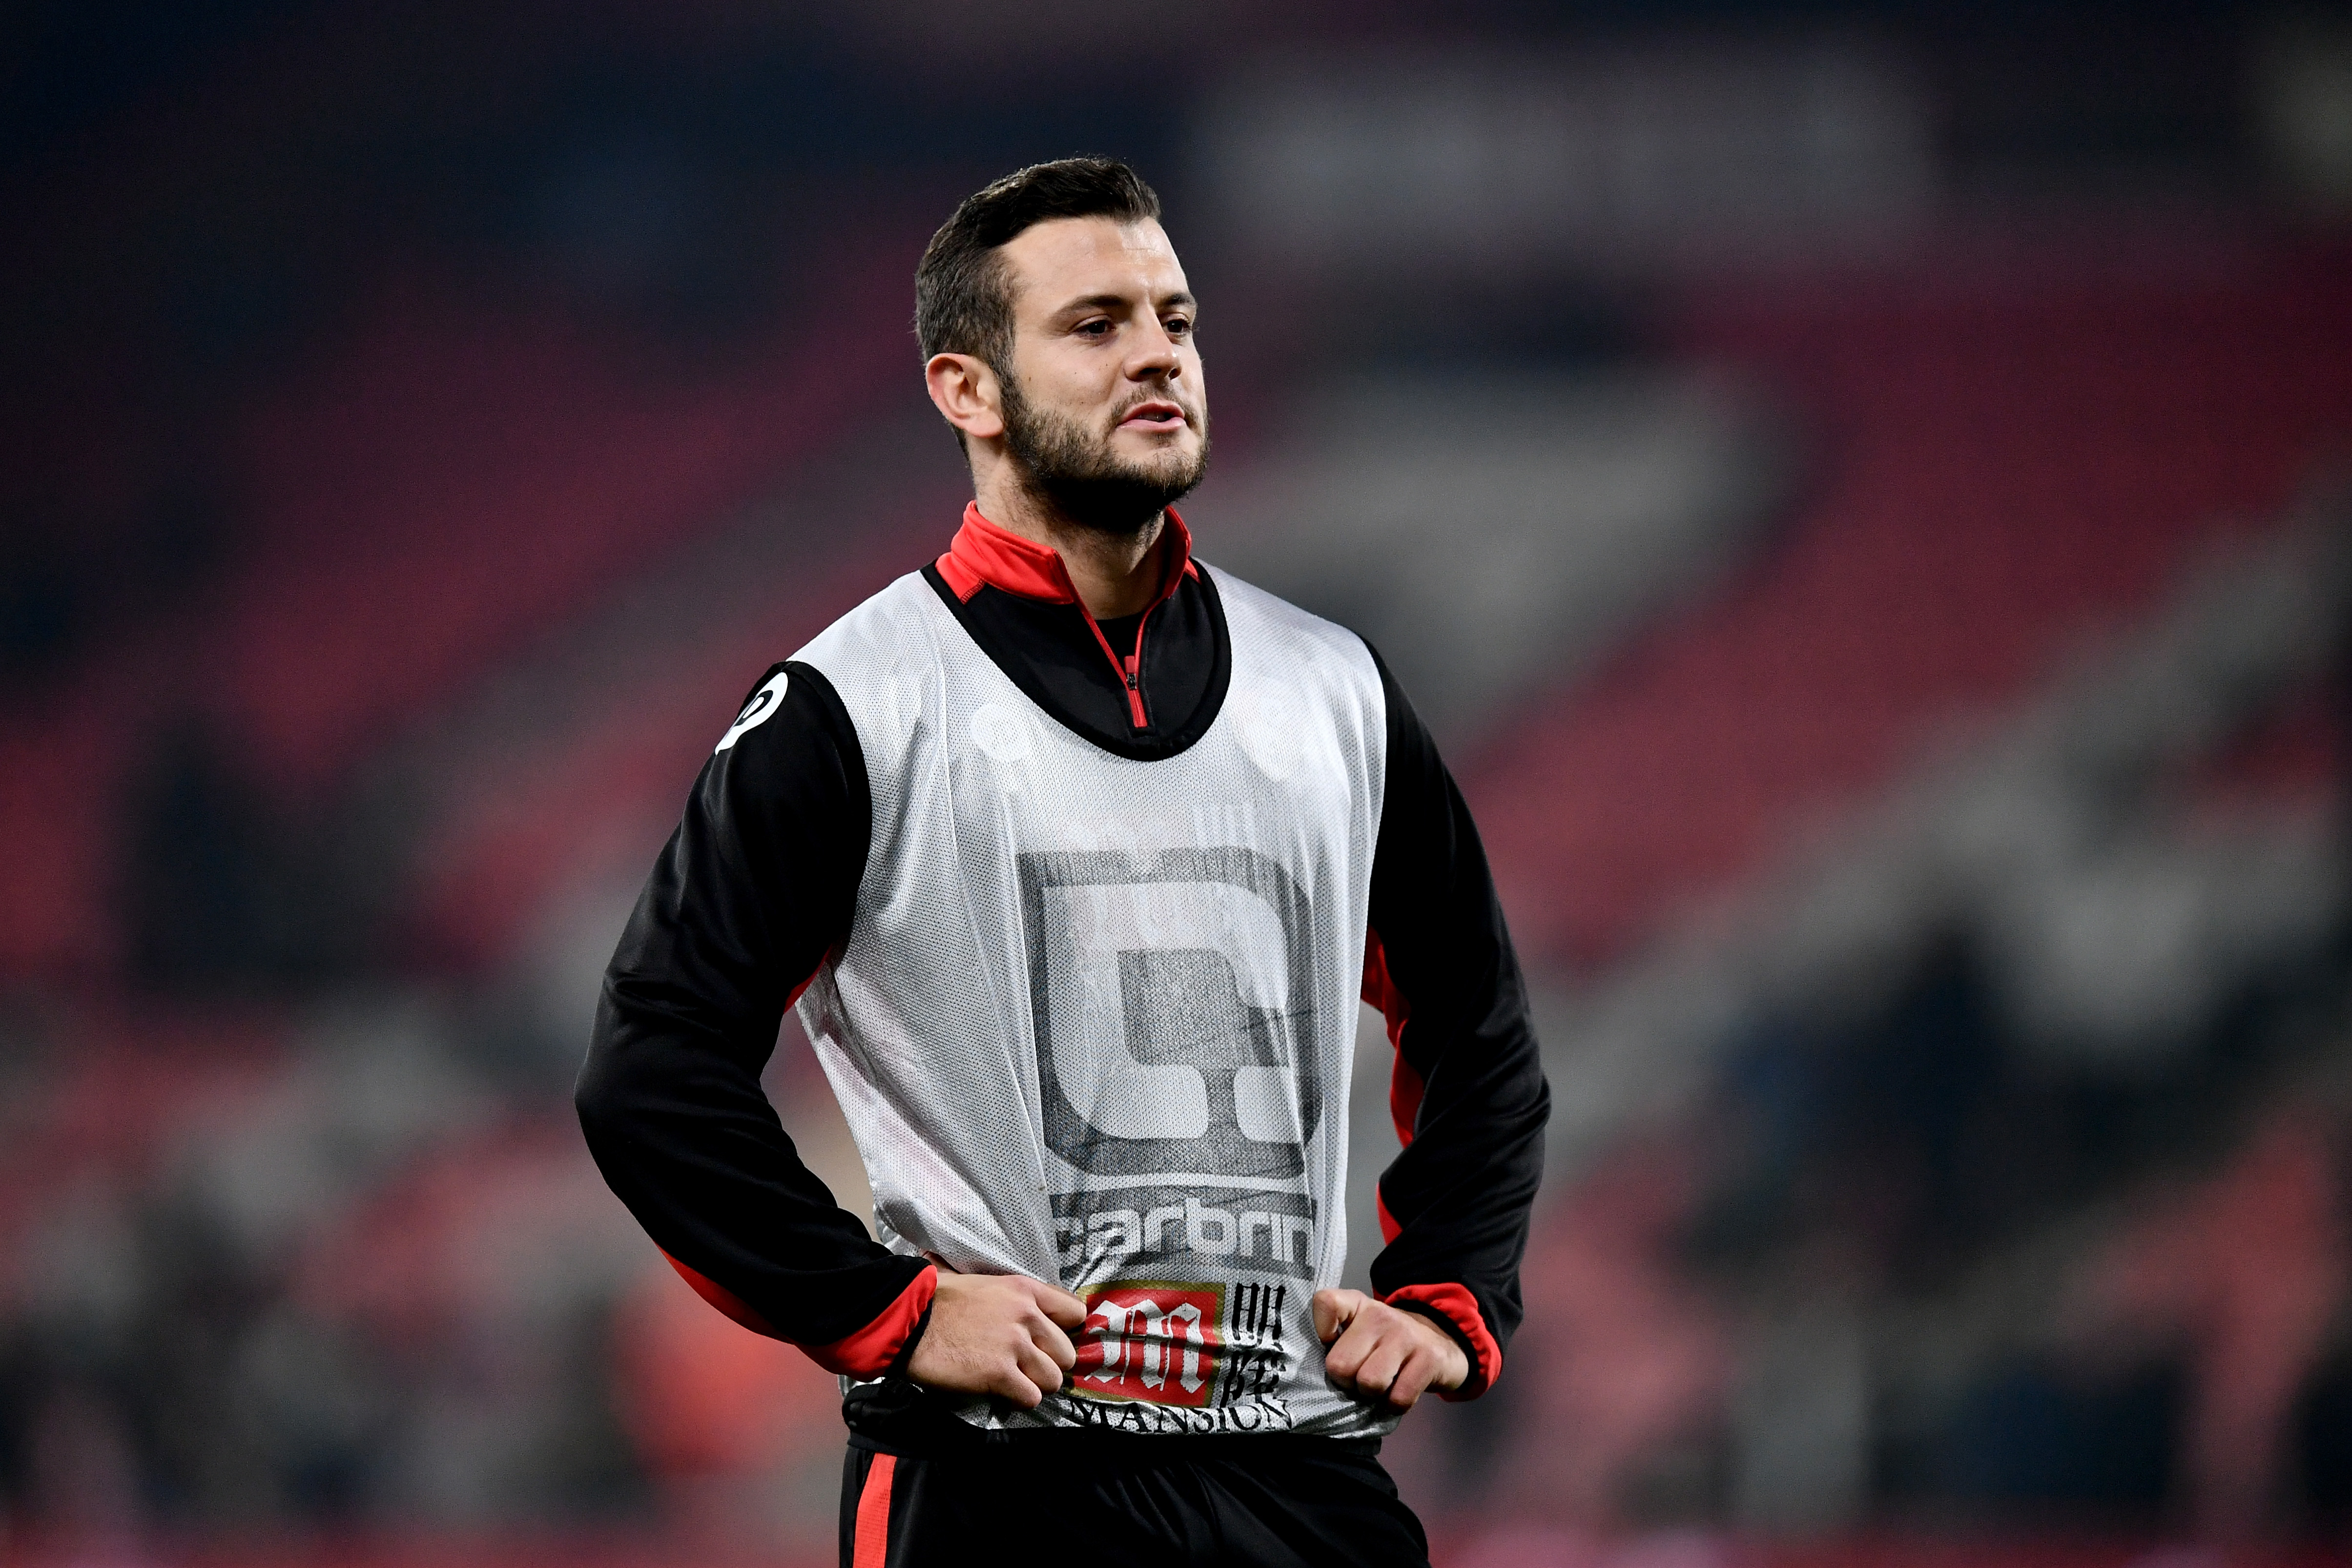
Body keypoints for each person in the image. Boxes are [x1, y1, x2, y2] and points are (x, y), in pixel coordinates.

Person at [576, 157, 1548, 1567]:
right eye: (1095, 324)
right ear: (965, 389)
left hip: (1296, 1478)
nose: (1157, 350)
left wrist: (1450, 1290)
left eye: (1176, 317)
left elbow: (1479, 1031)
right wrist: (889, 1306)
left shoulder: (1333, 688)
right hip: (996, 1490)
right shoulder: (854, 703)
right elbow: (651, 1066)